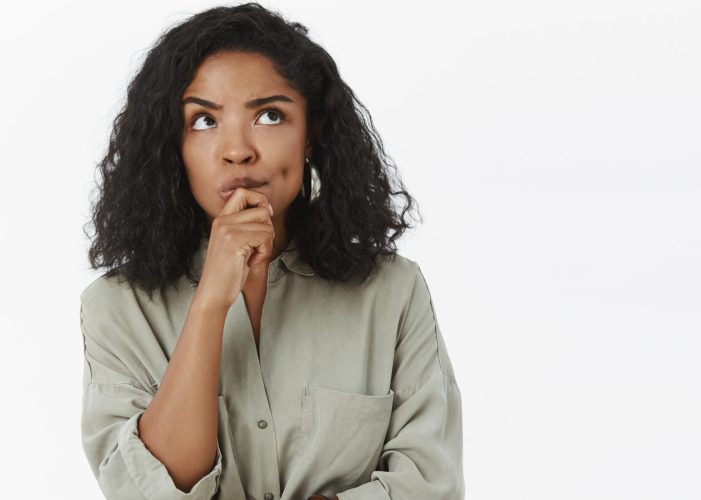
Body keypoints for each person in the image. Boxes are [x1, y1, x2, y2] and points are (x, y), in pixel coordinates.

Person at [79, 3, 464, 500]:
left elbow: (433, 481)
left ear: (311, 134)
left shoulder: (392, 292)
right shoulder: (115, 308)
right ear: (170, 144)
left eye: (270, 114)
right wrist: (211, 304)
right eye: (203, 121)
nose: (237, 150)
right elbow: (149, 489)